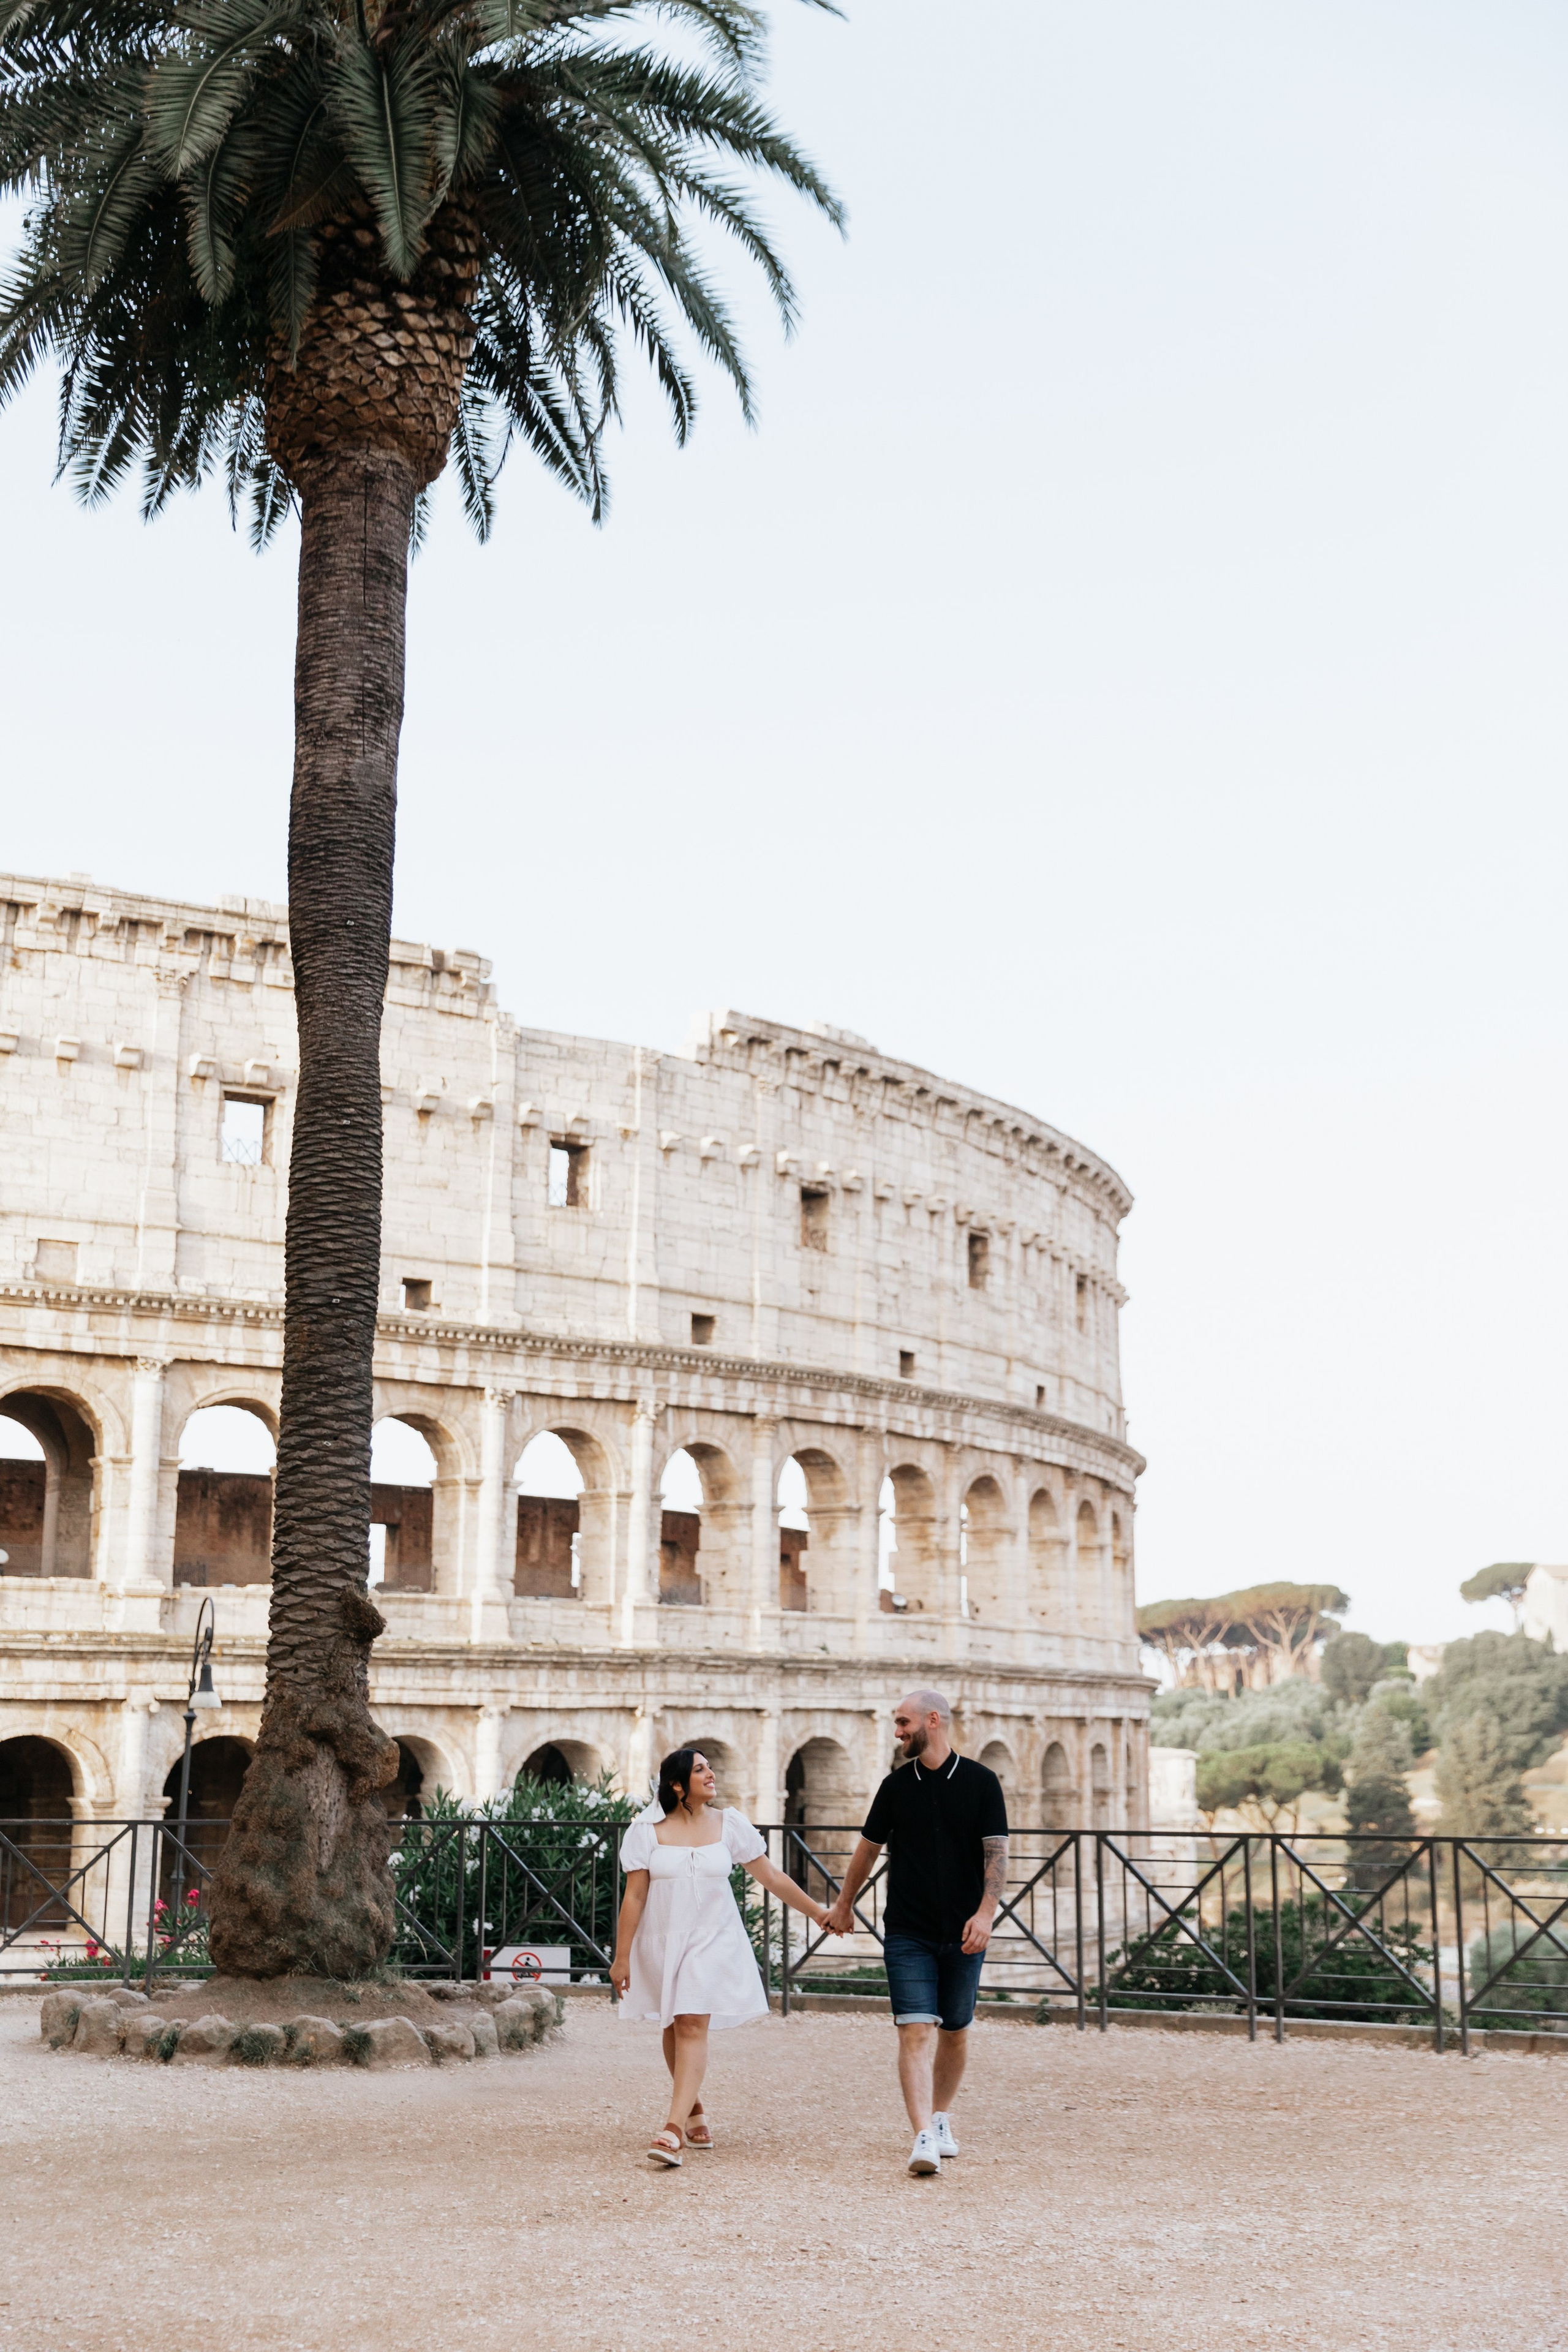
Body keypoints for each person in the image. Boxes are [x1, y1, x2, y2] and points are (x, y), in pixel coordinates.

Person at [611, 1746, 835, 2166]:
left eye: (710, 1767)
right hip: (663, 1938)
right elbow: (635, 1895)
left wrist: (819, 1912)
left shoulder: (730, 1823)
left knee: (693, 2021)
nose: (711, 1774)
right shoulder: (645, 1829)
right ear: (677, 1785)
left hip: (715, 1938)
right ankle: (692, 2107)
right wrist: (621, 1958)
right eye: (700, 1770)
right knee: (674, 2024)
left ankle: (672, 2131)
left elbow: (771, 1876)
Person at [821, 1689, 1008, 2176]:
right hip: (907, 1929)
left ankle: (941, 2117)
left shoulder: (981, 1782)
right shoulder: (895, 1786)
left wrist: (987, 1913)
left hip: (966, 1928)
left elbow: (997, 1855)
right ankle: (923, 2134)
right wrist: (844, 1905)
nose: (898, 1731)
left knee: (956, 2029)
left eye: (903, 1722)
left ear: (933, 1720)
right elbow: (866, 1851)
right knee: (915, 2029)